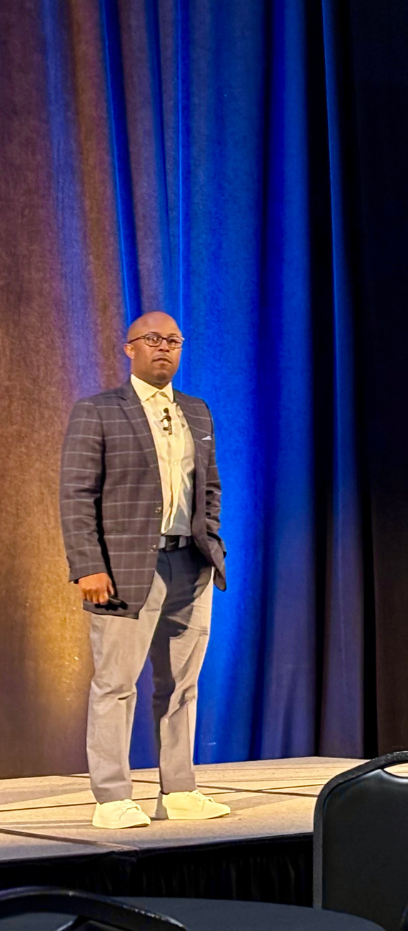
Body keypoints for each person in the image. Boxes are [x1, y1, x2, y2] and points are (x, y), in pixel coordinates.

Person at [60, 312, 230, 828]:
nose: (165, 348)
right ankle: (112, 796)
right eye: (153, 339)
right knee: (116, 683)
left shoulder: (196, 412)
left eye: (174, 340)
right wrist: (88, 565)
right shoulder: (99, 412)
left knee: (181, 685)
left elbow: (210, 488)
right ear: (129, 349)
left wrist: (212, 542)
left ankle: (178, 789)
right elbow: (76, 495)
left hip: (190, 563)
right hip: (127, 568)